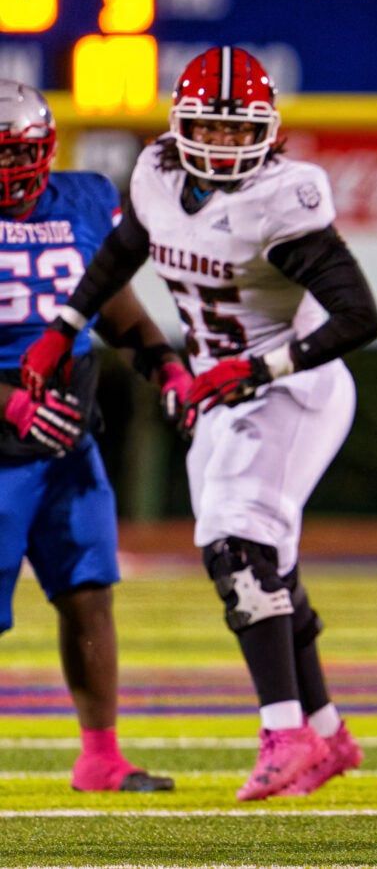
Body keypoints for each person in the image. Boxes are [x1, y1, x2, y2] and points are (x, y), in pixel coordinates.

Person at [22, 47, 377, 801]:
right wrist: (64, 324)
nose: (220, 144)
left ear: (267, 131)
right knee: (262, 557)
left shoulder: (287, 197)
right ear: (181, 127)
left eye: (233, 130)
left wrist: (255, 370)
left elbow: (358, 317)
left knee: (237, 542)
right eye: (207, 129)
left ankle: (285, 734)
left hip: (294, 386)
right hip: (221, 389)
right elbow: (121, 252)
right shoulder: (156, 173)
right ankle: (326, 732)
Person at [0, 78, 185, 793]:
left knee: (88, 593)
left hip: (68, 446)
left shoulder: (83, 200)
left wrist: (164, 366)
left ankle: (100, 756)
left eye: (18, 153)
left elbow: (117, 311)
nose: (10, 172)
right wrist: (9, 404)